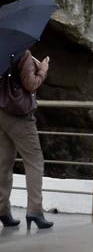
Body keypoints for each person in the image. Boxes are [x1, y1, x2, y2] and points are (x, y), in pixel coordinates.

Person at [0, 49, 52, 231]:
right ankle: (35, 211)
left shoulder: (4, 48)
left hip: (1, 112)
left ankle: (3, 210)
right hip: (19, 116)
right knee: (35, 161)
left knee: (3, 164)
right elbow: (31, 85)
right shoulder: (22, 53)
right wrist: (42, 70)